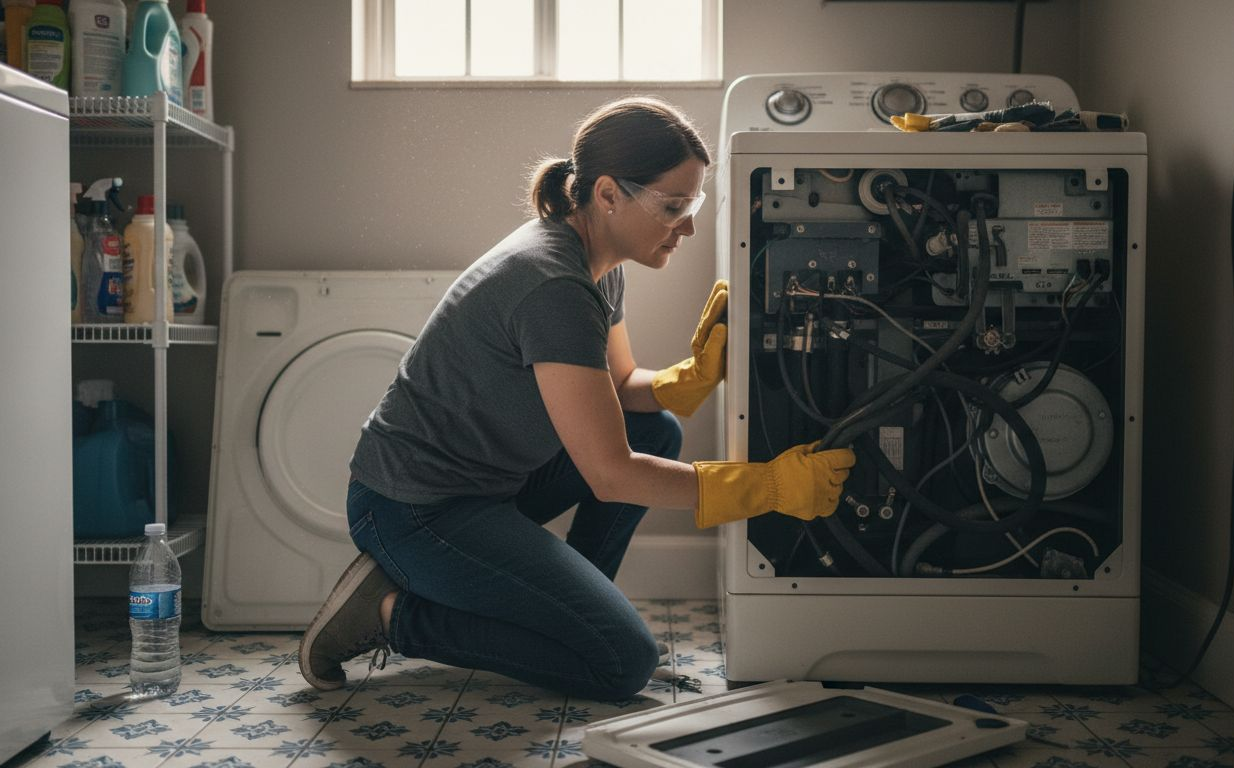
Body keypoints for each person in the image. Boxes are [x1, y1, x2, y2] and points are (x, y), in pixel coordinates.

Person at [298, 97, 855, 701]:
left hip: (487, 483)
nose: (689, 225)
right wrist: (766, 488)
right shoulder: (556, 284)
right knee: (621, 664)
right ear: (610, 194)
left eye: (692, 204)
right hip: (415, 507)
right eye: (674, 206)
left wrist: (692, 376)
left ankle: (577, 615)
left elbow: (616, 390)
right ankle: (386, 615)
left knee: (656, 430)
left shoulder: (598, 260)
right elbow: (611, 475)